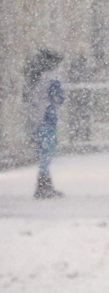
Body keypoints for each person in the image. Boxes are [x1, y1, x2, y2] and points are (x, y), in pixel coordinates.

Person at [23, 49, 66, 199]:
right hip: (47, 118)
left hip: (35, 118)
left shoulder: (34, 78)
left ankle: (44, 184)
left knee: (42, 151)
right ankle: (43, 185)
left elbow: (26, 97)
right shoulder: (52, 78)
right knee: (47, 152)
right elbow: (59, 98)